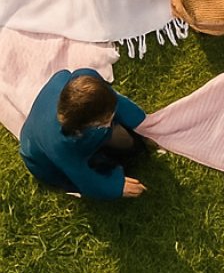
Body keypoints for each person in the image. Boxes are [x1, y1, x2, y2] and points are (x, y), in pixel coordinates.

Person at [19, 69, 148, 200]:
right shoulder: (60, 144)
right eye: (104, 123)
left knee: (126, 141)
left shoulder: (85, 78)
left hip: (63, 128)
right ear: (83, 126)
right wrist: (115, 186)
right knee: (99, 167)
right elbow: (83, 177)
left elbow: (114, 100)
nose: (109, 124)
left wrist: (145, 125)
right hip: (44, 161)